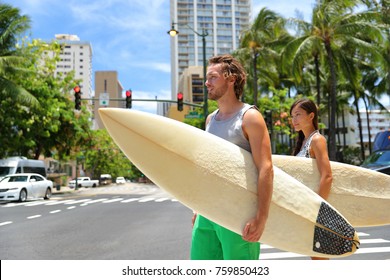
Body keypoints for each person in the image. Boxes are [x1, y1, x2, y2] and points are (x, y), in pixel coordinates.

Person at [190, 54, 274, 260]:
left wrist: (261, 218)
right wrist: (197, 207)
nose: (207, 83)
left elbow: (266, 168)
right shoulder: (211, 119)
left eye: (212, 77)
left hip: (238, 213)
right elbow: (207, 166)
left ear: (231, 79)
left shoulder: (250, 117)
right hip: (207, 213)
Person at [290, 98, 333, 260]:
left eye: (298, 115)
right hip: (306, 205)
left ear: (311, 116)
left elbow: (327, 176)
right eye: (292, 116)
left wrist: (319, 209)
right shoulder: (304, 142)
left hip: (315, 207)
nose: (294, 120)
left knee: (318, 256)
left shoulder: (317, 140)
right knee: (315, 255)